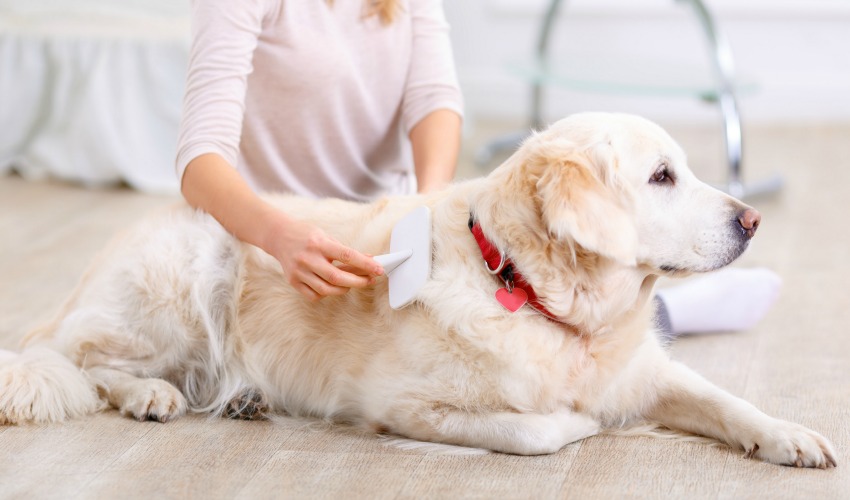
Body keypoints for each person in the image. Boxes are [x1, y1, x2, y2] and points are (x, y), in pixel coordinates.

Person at [176, 0, 779, 337]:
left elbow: (435, 98)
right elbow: (199, 161)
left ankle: (654, 312)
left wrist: (426, 204)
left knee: (511, 293)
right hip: (280, 238)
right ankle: (675, 315)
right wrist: (280, 234)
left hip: (386, 226)